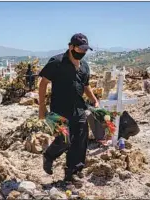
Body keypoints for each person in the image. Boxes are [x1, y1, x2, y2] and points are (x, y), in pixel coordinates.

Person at [38, 33, 99, 183]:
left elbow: (86, 85)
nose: (82, 53)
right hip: (59, 110)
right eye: (80, 49)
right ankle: (49, 155)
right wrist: (42, 107)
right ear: (71, 47)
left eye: (85, 50)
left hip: (79, 109)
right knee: (64, 140)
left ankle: (72, 172)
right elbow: (43, 83)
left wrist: (94, 100)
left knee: (79, 141)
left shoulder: (84, 66)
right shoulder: (57, 62)